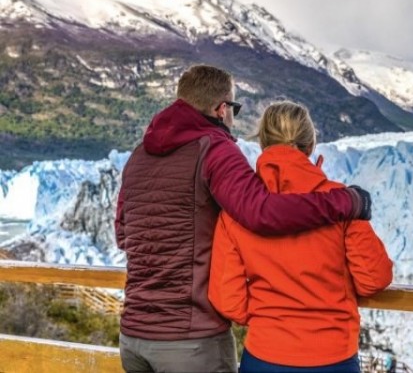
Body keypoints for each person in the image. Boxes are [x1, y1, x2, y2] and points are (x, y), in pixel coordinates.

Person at [115, 65, 372, 373]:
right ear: (222, 109)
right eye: (234, 108)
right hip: (189, 342)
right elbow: (261, 212)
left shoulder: (139, 155)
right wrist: (347, 201)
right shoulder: (215, 149)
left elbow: (123, 235)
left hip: (133, 337)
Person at [209, 100, 393, 373]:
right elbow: (373, 279)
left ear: (263, 143)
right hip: (333, 357)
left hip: (265, 356)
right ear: (310, 145)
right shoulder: (343, 203)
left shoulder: (237, 212)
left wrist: (269, 319)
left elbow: (228, 300)